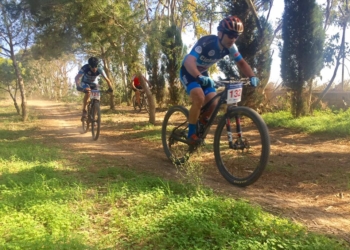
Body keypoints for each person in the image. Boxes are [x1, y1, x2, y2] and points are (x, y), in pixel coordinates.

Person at [179, 15, 260, 145]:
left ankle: (200, 122)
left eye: (236, 36)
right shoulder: (206, 42)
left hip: (203, 72)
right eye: (230, 35)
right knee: (199, 97)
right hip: (189, 71)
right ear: (220, 33)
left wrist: (252, 76)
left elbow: (242, 63)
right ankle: (191, 133)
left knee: (214, 101)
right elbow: (189, 61)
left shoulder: (231, 47)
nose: (233, 39)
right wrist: (199, 76)